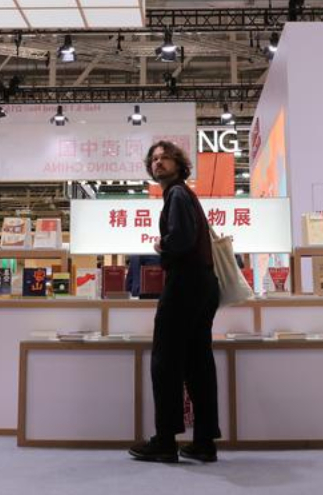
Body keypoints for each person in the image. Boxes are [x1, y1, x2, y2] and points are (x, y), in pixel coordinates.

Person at [129, 141, 221, 464]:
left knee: (165, 361)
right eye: (153, 160)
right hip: (204, 284)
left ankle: (165, 440)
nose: (158, 163)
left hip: (186, 283)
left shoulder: (178, 195)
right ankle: (205, 441)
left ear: (179, 164)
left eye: (164, 158)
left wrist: (161, 246)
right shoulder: (183, 195)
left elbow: (180, 240)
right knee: (198, 362)